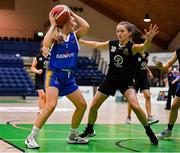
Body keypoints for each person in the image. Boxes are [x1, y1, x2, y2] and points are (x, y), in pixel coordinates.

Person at [79, 22, 159, 145]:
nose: (119, 33)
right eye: (117, 31)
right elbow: (96, 44)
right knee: (94, 106)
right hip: (110, 79)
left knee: (136, 107)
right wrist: (79, 40)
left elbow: (144, 47)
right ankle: (89, 129)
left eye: (122, 31)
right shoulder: (112, 44)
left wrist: (149, 39)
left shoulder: (132, 47)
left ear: (129, 33)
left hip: (126, 81)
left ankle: (149, 131)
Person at [25, 7, 90, 149]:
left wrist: (71, 12)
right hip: (54, 74)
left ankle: (73, 136)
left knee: (82, 106)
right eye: (72, 20)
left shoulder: (75, 37)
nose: (75, 22)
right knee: (51, 105)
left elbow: (86, 26)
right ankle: (31, 137)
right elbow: (46, 45)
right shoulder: (55, 37)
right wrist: (53, 24)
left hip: (69, 77)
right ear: (67, 22)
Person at [126, 52, 159, 125]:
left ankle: (149, 116)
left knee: (148, 96)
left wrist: (149, 71)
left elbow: (144, 64)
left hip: (144, 79)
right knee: (132, 99)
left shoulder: (146, 54)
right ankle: (128, 116)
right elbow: (129, 66)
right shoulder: (134, 54)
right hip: (135, 78)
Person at [154, 48, 180, 139]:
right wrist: (163, 67)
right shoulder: (178, 51)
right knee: (174, 106)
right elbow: (168, 64)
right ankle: (168, 130)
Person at [31, 44, 50, 112]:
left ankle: (44, 110)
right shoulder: (37, 57)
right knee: (42, 95)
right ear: (42, 48)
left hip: (48, 78)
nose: (48, 48)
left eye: (49, 47)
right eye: (46, 47)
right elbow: (32, 67)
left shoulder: (51, 57)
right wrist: (37, 71)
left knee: (46, 96)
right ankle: (41, 111)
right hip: (39, 78)